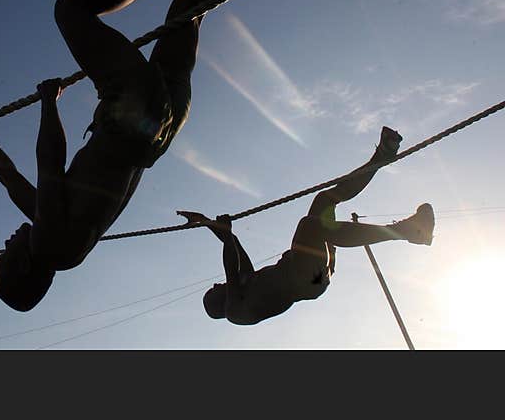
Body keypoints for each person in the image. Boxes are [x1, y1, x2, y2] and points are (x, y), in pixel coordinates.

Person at [0, 0, 315, 311]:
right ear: (19, 271)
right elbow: (48, 162)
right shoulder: (48, 245)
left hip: (158, 130)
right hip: (128, 119)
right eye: (2, 260)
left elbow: (12, 181)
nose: (4, 246)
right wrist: (49, 102)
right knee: (71, 9)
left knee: (189, 8)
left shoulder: (60, 241)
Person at [180, 126, 435, 325]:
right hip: (305, 278)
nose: (215, 286)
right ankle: (407, 231)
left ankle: (382, 156)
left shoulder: (246, 281)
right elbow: (229, 260)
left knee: (324, 200)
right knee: (309, 227)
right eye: (211, 293)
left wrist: (205, 222)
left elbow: (233, 244)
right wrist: (223, 235)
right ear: (217, 306)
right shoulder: (235, 311)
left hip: (312, 270)